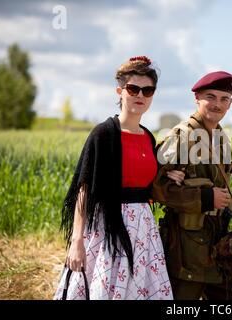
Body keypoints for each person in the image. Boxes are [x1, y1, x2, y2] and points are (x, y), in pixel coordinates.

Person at [53, 56, 185, 300]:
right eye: (133, 88)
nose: (140, 95)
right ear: (120, 91)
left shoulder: (148, 137)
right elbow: (84, 190)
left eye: (148, 90)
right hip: (108, 229)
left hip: (144, 232)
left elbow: (142, 177)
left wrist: (166, 174)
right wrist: (76, 241)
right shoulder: (103, 133)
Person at [152, 71, 232, 300]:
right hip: (187, 253)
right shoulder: (181, 137)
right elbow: (155, 188)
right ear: (197, 99)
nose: (217, 104)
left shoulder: (221, 137)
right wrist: (205, 198)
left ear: (230, 103)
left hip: (220, 249)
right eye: (210, 97)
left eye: (224, 99)